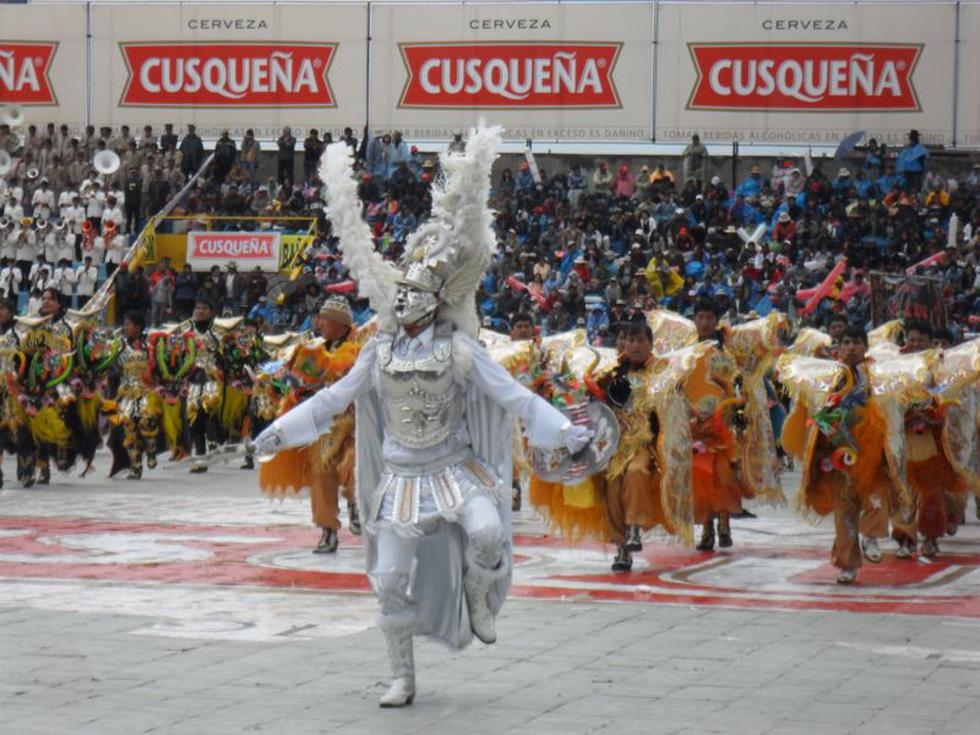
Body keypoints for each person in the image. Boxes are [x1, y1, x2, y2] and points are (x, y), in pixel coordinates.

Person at [254, 125, 590, 708]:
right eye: (398, 292)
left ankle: (480, 597)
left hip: (454, 468)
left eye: (412, 293)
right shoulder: (376, 350)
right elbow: (334, 400)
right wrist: (280, 431)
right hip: (402, 477)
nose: (401, 299)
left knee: (487, 535)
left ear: (436, 301)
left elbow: (513, 395)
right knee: (388, 581)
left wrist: (565, 429)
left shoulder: (459, 349)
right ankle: (402, 675)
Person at [780, 326, 909, 584]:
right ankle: (848, 564)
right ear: (839, 347)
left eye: (857, 342)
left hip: (872, 450)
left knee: (875, 498)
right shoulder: (827, 378)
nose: (851, 347)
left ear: (865, 347)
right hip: (839, 452)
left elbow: (893, 409)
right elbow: (817, 412)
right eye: (847, 342)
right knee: (844, 511)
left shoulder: (878, 376)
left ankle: (870, 537)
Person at [260, 298, 364, 552]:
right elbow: (290, 382)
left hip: (353, 424)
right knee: (321, 475)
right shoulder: (308, 349)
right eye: (319, 317)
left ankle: (356, 503)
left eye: (324, 318)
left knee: (354, 465)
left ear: (340, 323)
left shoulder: (360, 350)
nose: (319, 322)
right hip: (320, 425)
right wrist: (287, 385)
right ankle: (328, 529)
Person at [686, 299, 751, 551]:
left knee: (724, 475)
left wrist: (736, 409)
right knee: (702, 477)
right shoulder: (686, 355)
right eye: (700, 317)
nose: (704, 322)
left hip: (723, 422)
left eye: (709, 318)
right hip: (697, 423)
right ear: (694, 320)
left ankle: (723, 522)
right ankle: (707, 528)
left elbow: (739, 384)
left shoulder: (729, 353)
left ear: (716, 320)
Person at [183, 299, 223, 473]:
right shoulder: (186, 330)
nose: (200, 311)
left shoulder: (219, 331)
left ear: (211, 311)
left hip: (213, 377)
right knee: (194, 415)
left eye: (204, 308)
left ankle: (213, 437)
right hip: (192, 377)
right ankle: (200, 457)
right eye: (197, 307)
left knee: (209, 410)